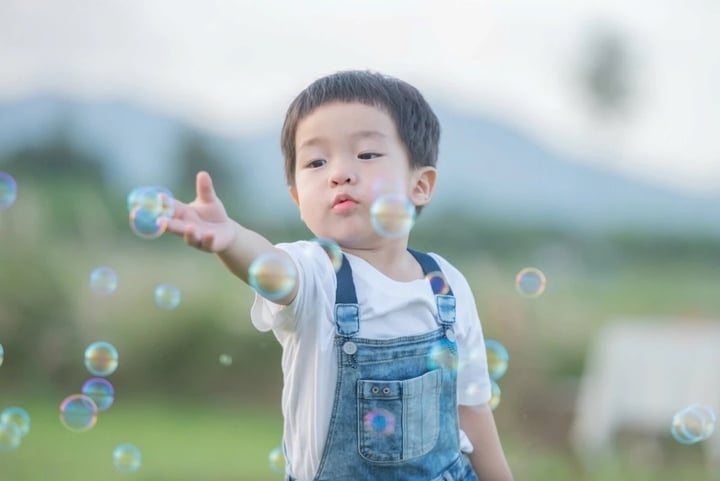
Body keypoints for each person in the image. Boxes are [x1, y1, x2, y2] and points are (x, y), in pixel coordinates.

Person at [162, 70, 513, 481]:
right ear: (296, 197)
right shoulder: (316, 273)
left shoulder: (446, 285)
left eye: (366, 155)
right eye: (316, 161)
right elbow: (272, 270)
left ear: (420, 185)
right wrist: (231, 239)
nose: (339, 173)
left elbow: (470, 407)